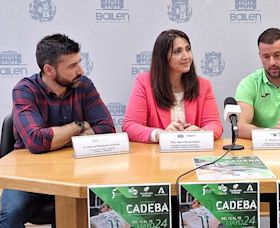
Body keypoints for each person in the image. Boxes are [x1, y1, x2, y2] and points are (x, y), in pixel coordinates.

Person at [0, 34, 115, 227]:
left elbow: (107, 128)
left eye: (79, 62)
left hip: (77, 173)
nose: (80, 70)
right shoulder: (24, 90)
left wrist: (57, 137)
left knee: (86, 211)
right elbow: (36, 141)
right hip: (30, 175)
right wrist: (78, 126)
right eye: (71, 66)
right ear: (49, 70)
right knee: (11, 213)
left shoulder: (84, 85)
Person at [122, 29, 223, 143]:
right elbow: (130, 126)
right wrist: (159, 134)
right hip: (158, 157)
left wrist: (202, 133)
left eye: (188, 49)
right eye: (177, 51)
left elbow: (215, 124)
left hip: (193, 152)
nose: (186, 56)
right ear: (163, 57)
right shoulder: (144, 82)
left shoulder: (203, 85)